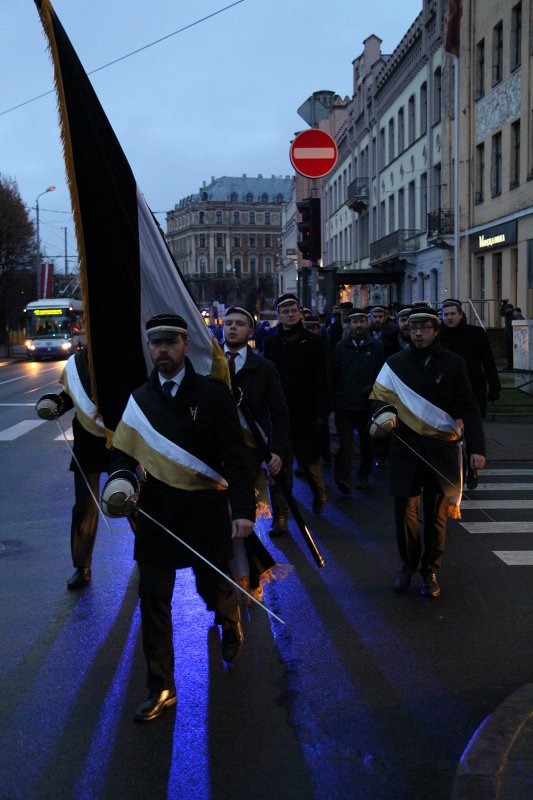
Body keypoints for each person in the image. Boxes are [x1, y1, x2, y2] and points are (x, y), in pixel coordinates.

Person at [101, 313, 256, 722]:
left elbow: (237, 458)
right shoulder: (139, 400)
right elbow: (122, 455)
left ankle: (230, 618)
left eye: (170, 343)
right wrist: (118, 482)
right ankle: (161, 688)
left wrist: (242, 510)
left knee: (213, 586)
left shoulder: (213, 393)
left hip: (206, 512)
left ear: (186, 345)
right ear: (149, 348)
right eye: (156, 344)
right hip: (157, 515)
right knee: (153, 602)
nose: (162, 350)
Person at [370, 306, 486, 599]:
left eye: (425, 328)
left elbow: (468, 406)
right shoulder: (394, 363)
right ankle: (407, 565)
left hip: (440, 448)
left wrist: (477, 448)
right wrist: (383, 419)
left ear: (436, 331)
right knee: (404, 511)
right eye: (414, 328)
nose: (418, 333)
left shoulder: (453, 363)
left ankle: (430, 570)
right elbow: (379, 401)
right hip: (405, 447)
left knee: (436, 514)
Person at [222, 305, 291, 601]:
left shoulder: (264, 368)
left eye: (239, 324)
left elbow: (280, 414)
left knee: (243, 519)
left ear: (251, 332)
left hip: (250, 456)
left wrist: (277, 452)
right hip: (216, 456)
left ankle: (249, 577)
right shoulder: (208, 365)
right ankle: (233, 578)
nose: (232, 328)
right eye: (228, 324)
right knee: (224, 521)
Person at [35, 347, 113, 590]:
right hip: (87, 444)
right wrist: (55, 403)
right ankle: (82, 567)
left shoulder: (122, 354)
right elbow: (70, 396)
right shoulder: (78, 361)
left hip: (120, 439)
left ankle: (147, 558)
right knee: (84, 508)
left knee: (132, 503)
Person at [264, 293, 329, 533]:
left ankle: (319, 492)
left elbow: (322, 378)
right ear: (279, 316)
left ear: (300, 313)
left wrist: (322, 411)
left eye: (293, 310)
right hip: (278, 413)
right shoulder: (270, 342)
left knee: (309, 460)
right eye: (285, 312)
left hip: (306, 412)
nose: (290, 315)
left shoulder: (314, 342)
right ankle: (280, 515)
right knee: (278, 464)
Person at [439, 298, 500, 489]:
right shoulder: (439, 336)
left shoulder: (476, 333)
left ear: (461, 315)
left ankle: (472, 468)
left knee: (473, 432)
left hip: (474, 390)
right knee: (453, 436)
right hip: (448, 395)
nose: (449, 318)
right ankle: (458, 468)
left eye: (452, 314)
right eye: (445, 314)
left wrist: (494, 385)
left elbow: (488, 361)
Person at [329, 309, 385, 493]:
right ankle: (343, 479)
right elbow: (333, 374)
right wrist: (333, 399)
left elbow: (382, 375)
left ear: (367, 322)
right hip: (345, 404)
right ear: (349, 324)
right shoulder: (340, 347)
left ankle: (363, 476)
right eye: (355, 321)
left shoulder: (377, 347)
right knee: (344, 445)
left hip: (367, 405)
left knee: (367, 446)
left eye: (362, 321)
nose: (359, 325)